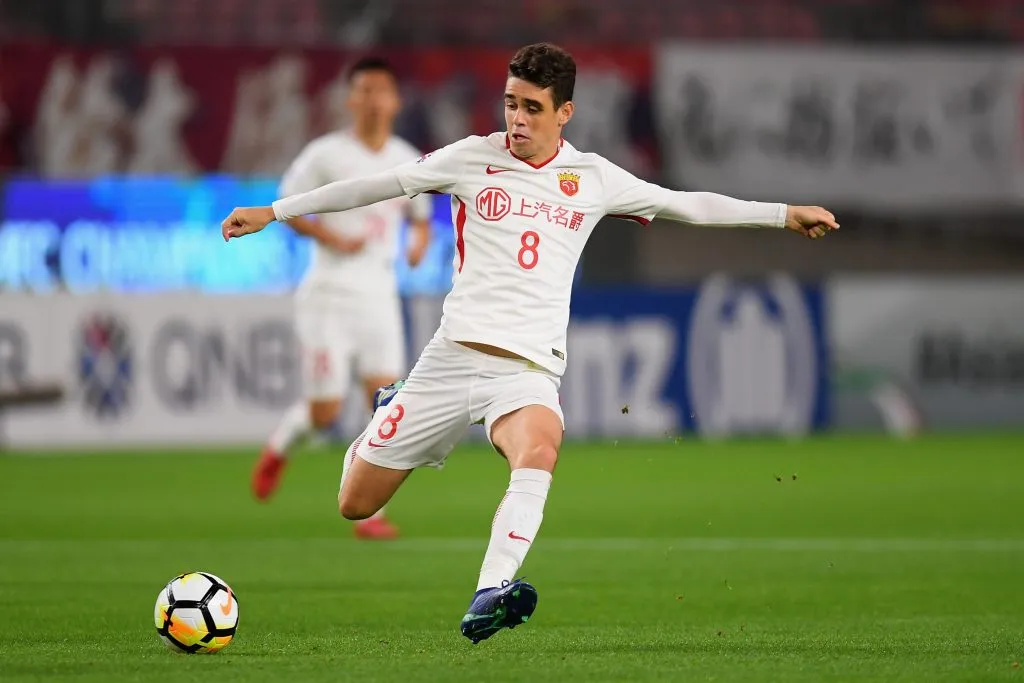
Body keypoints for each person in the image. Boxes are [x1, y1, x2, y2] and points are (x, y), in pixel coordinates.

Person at [222, 43, 838, 643]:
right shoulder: (471, 158)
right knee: (354, 504)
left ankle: (490, 590)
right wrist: (274, 211)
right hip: (449, 358)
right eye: (510, 103)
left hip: (526, 371)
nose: (516, 119)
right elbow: (377, 185)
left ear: (564, 112)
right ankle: (390, 410)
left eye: (532, 108)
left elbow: (687, 205)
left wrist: (783, 213)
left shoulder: (593, 178)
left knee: (540, 449)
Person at [252, 57, 432, 543]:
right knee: (325, 413)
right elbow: (287, 204)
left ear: (395, 101)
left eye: (382, 90)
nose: (373, 99)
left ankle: (369, 513)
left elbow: (421, 217)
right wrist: (329, 237)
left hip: (379, 296)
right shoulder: (325, 154)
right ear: (351, 99)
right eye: (364, 90)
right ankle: (278, 448)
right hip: (328, 294)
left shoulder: (408, 157)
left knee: (385, 407)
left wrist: (417, 243)